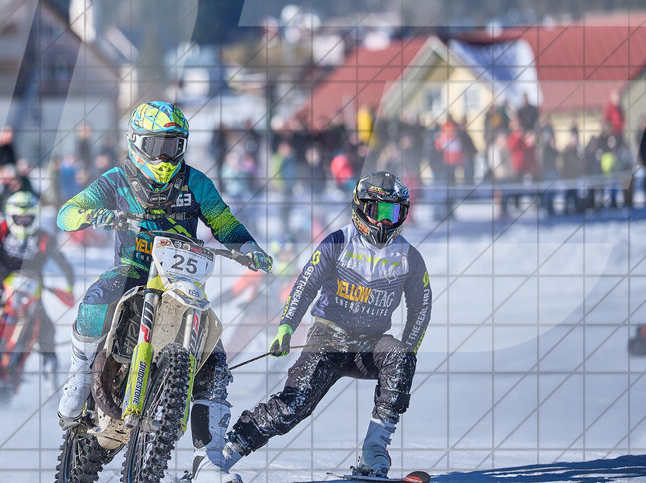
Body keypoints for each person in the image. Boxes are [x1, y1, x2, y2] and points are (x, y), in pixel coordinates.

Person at [55, 101, 272, 482]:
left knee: (215, 360)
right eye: (157, 146)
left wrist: (248, 247)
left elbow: (223, 221)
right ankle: (80, 373)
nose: (165, 155)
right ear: (137, 142)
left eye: (174, 146)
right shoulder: (117, 179)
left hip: (181, 281)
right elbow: (67, 212)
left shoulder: (196, 182)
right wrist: (93, 213)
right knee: (96, 298)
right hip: (134, 271)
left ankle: (210, 459)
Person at [219, 171, 432, 480]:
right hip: (329, 338)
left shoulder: (410, 257)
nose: (385, 222)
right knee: (294, 405)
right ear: (360, 209)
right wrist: (286, 328)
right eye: (377, 211)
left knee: (400, 356)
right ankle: (227, 453)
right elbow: (305, 285)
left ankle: (374, 452)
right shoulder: (338, 241)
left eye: (393, 213)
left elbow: (421, 308)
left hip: (371, 345)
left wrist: (409, 351)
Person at [0, 191, 75, 377]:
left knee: (47, 329)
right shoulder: (3, 230)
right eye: (19, 218)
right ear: (10, 216)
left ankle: (50, 368)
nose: (23, 221)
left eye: (28, 218)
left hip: (33, 297)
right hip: (6, 294)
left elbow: (64, 263)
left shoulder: (43, 237)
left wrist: (69, 287)